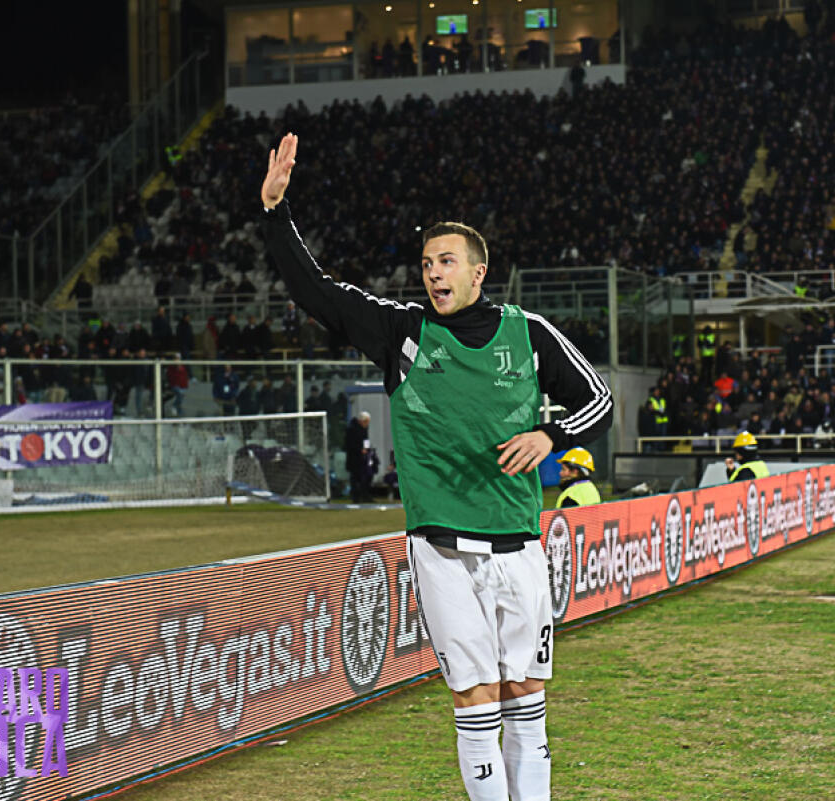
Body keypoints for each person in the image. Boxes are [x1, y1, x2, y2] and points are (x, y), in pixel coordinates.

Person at [261, 132, 612, 801]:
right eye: (426, 264)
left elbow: (598, 399)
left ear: (479, 272)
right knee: (475, 698)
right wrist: (277, 215)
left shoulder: (529, 332)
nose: (433, 274)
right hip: (443, 548)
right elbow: (319, 293)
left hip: (519, 543)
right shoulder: (403, 332)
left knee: (526, 695)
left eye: (446, 262)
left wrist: (551, 434)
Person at [345, 411, 373, 503]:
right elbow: (349, 444)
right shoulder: (351, 429)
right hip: (354, 458)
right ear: (362, 421)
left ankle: (365, 495)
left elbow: (366, 440)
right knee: (355, 478)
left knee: (366, 476)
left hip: (364, 458)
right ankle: (355, 497)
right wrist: (360, 450)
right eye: (366, 422)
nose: (367, 424)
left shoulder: (365, 429)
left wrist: (367, 449)